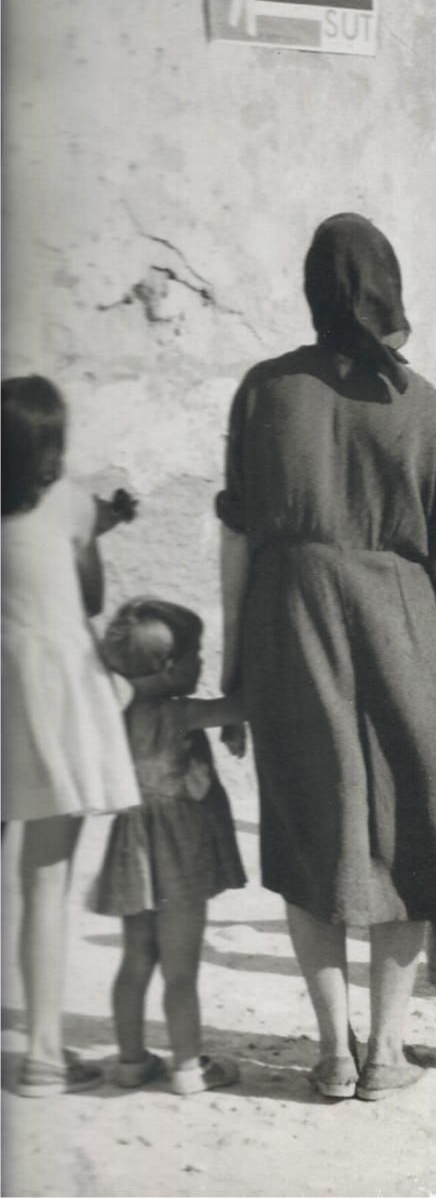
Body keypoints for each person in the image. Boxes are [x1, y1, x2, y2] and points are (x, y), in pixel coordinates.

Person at [218, 213, 436, 1102]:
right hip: (402, 625)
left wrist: (233, 663)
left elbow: (238, 542)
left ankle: (331, 1050)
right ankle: (387, 1052)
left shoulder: (264, 390)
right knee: (416, 828)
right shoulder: (424, 405)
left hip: (290, 625)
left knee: (314, 832)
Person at [1, 375, 142, 1097]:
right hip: (52, 700)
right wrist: (97, 527)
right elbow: (87, 597)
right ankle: (44, 1058)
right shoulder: (68, 503)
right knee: (44, 878)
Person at [90, 599, 248, 1095]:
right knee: (181, 969)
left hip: (132, 848)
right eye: (196, 655)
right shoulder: (183, 714)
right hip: (181, 850)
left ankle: (131, 1061)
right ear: (170, 666)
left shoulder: (118, 720)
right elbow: (247, 704)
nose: (201, 663)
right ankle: (186, 1067)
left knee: (135, 959)